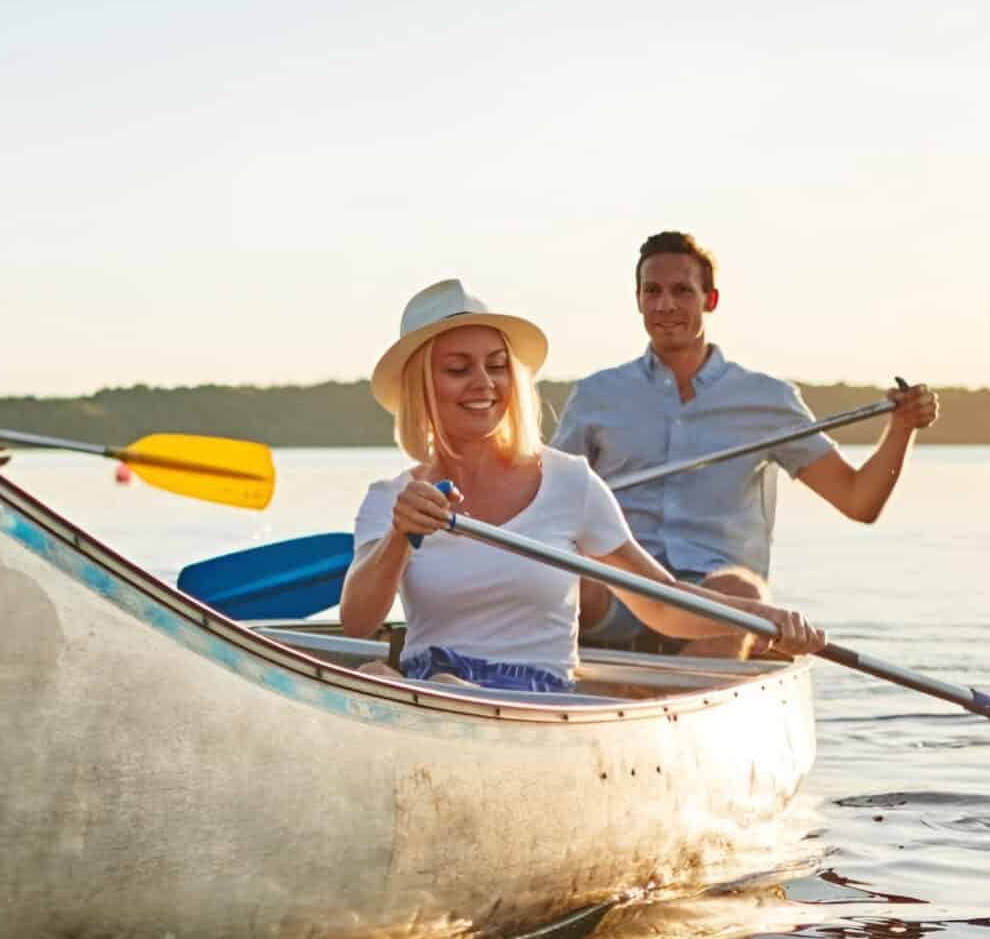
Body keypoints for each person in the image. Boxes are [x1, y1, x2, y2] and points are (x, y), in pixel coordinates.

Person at [339, 279, 825, 691]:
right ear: (421, 387)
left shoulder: (570, 482)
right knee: (377, 674)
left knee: (420, 686)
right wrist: (400, 538)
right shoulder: (389, 500)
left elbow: (661, 602)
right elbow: (358, 622)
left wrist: (765, 618)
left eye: (497, 364)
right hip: (425, 693)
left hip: (537, 703)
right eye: (458, 369)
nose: (484, 382)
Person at [555, 231, 940, 657]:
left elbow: (858, 501)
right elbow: (550, 501)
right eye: (653, 291)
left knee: (740, 589)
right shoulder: (596, 395)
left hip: (723, 603)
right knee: (564, 575)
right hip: (626, 591)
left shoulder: (766, 400)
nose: (666, 305)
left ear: (710, 300)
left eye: (682, 291)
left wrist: (903, 428)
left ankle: (668, 704)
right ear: (638, 300)